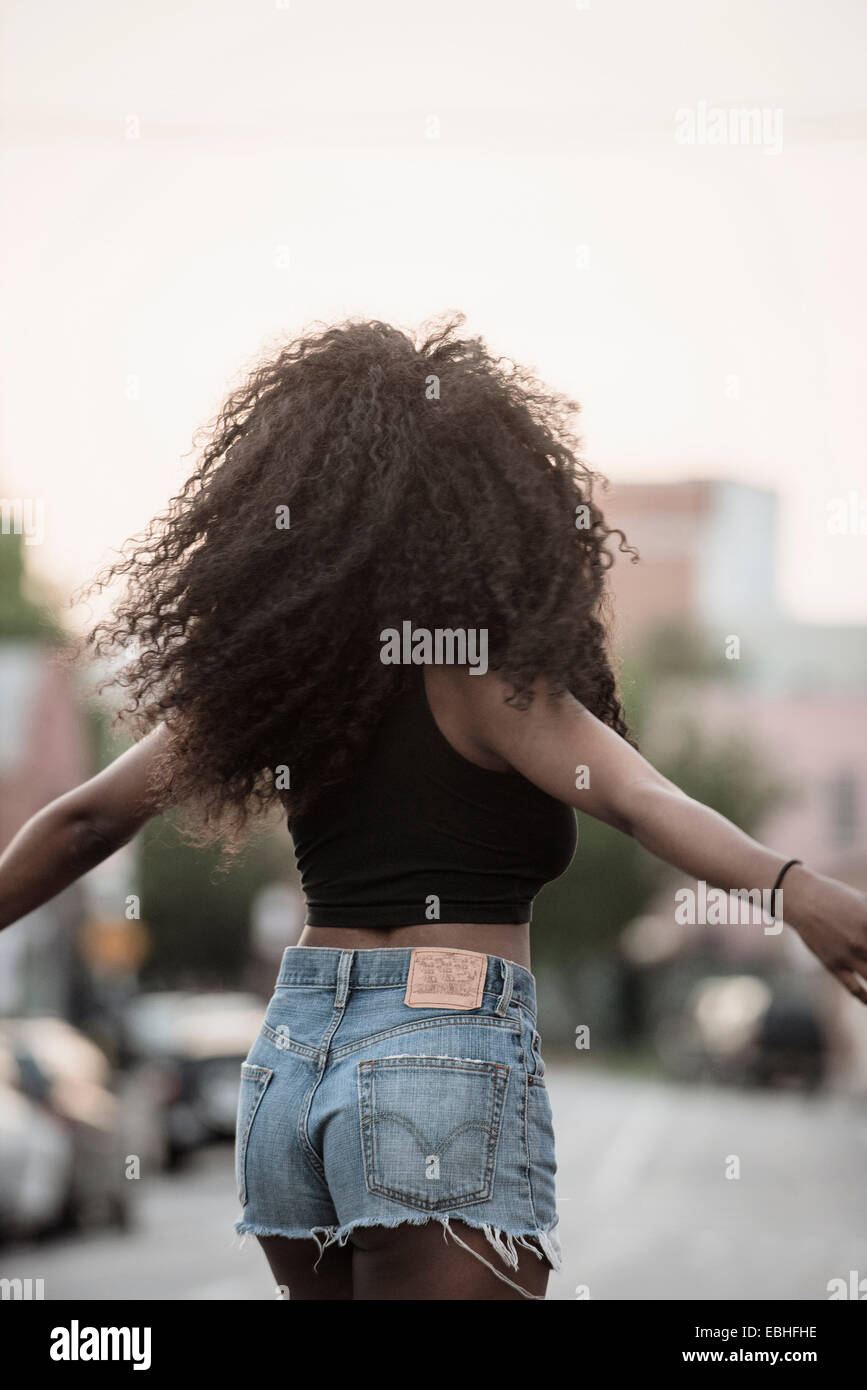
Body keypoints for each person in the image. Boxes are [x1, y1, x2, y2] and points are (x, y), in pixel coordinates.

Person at [1, 316, 864, 1301]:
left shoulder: (276, 683)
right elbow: (641, 797)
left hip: (287, 1062)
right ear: (495, 508)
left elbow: (85, 821)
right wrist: (799, 892)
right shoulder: (475, 673)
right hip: (438, 1055)